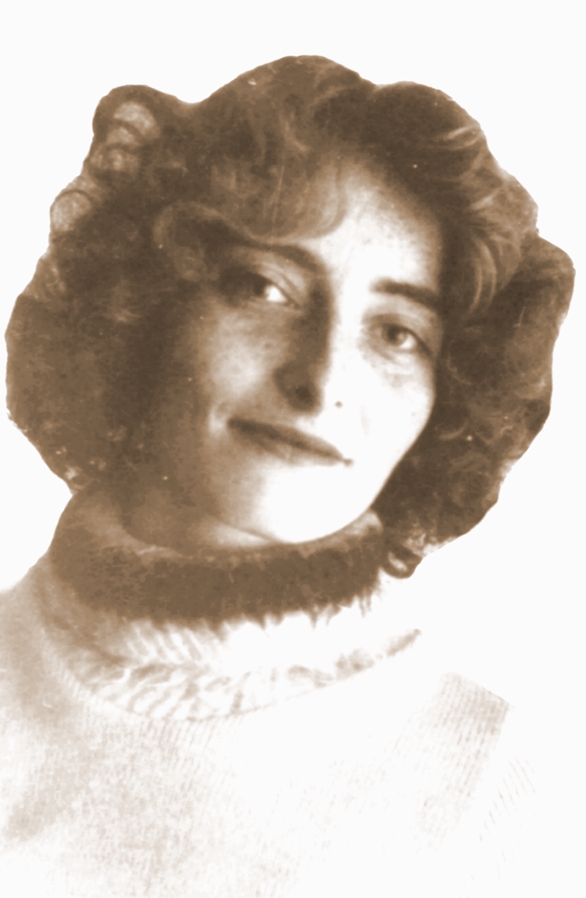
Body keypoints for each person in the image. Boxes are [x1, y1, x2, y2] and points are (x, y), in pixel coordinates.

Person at [0, 55, 574, 895]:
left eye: (397, 333)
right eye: (264, 288)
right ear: (148, 306)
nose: (323, 378)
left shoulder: (497, 786)